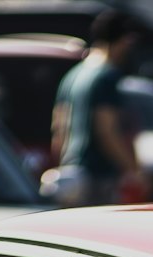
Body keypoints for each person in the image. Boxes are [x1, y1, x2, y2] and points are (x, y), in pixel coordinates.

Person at [49, 8, 147, 206]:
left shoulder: (74, 75)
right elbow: (107, 130)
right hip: (99, 175)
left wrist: (60, 166)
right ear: (124, 40)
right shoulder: (106, 77)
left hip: (73, 174)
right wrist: (134, 170)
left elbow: (58, 128)